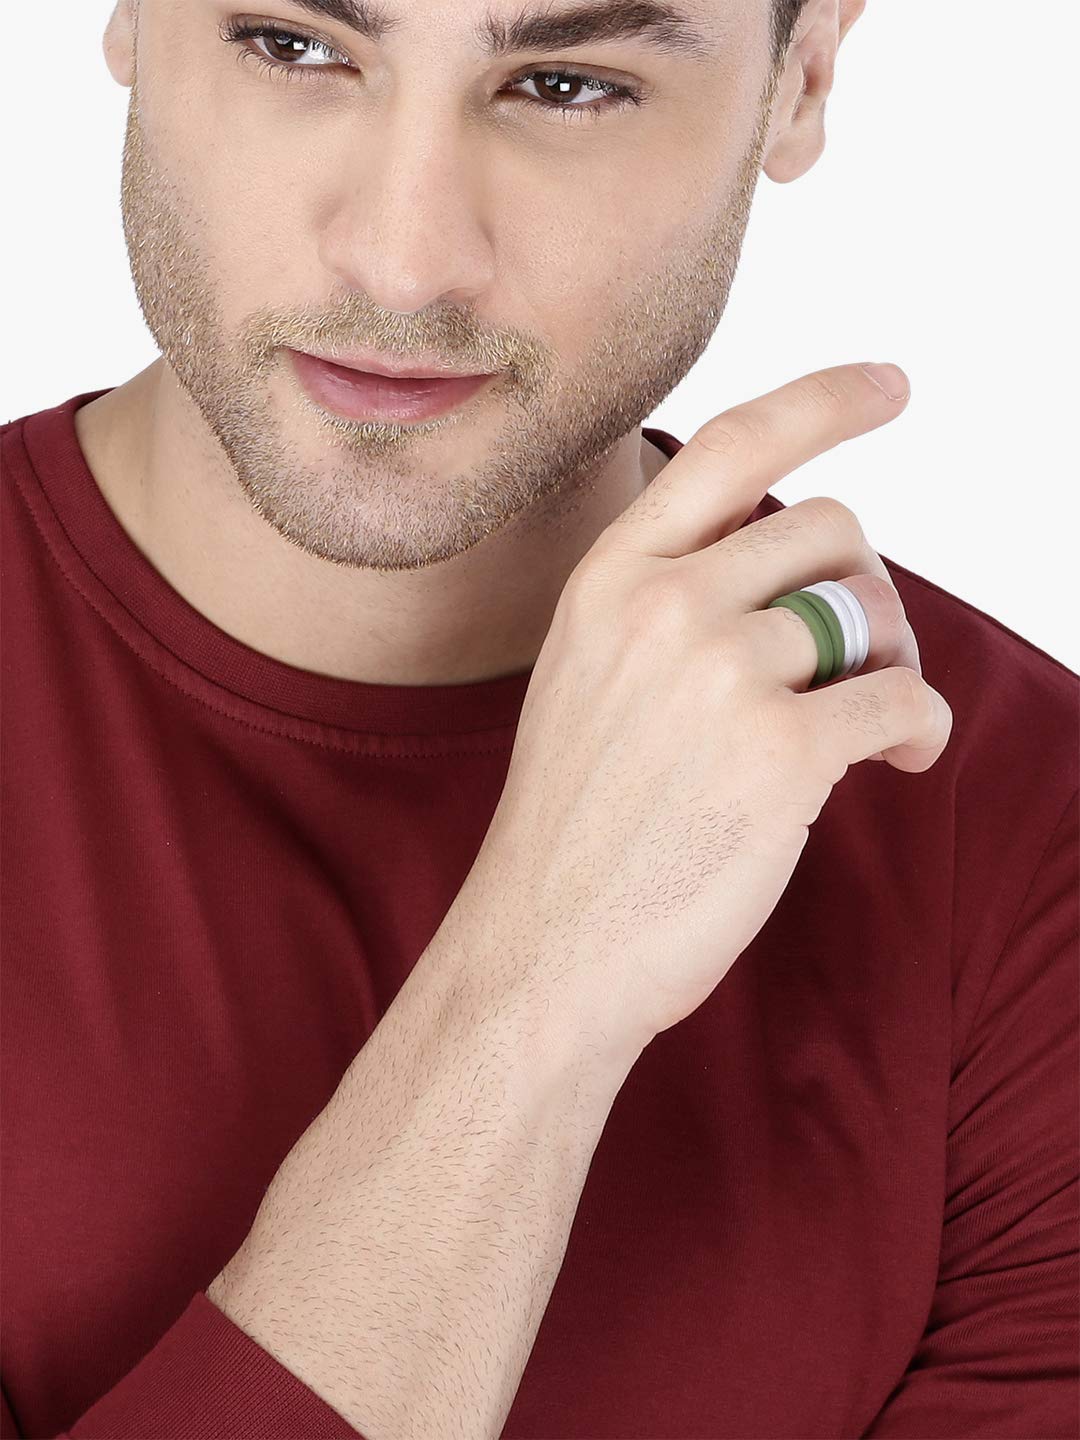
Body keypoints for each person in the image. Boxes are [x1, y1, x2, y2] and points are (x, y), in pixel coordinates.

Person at [2, 0, 1076, 1435]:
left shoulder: (1025, 830)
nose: (402, 261)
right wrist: (532, 996)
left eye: (567, 84)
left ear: (804, 75)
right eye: (294, 46)